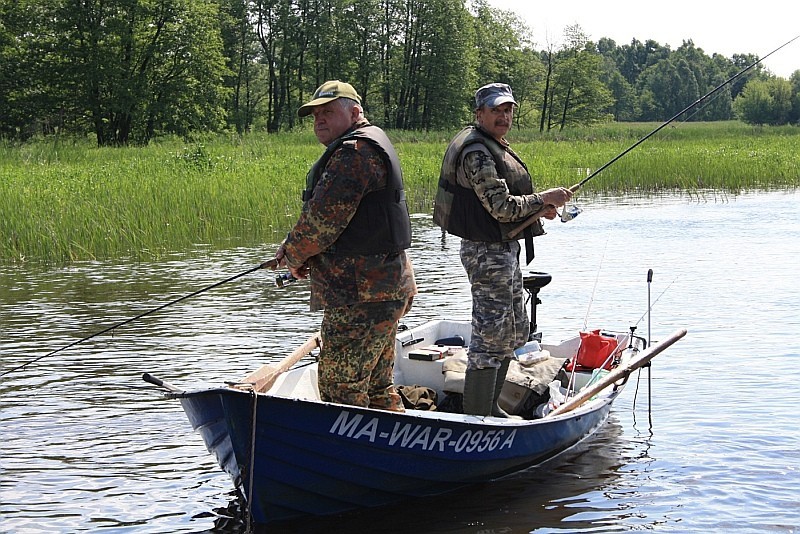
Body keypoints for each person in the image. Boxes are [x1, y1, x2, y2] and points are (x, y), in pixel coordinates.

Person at [275, 80, 417, 412]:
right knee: (377, 387)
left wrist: (294, 255)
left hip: (362, 297)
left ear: (354, 112)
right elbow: (338, 222)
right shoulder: (365, 145)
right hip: (383, 289)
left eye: (327, 112)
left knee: (341, 390)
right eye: (314, 115)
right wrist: (295, 249)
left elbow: (321, 222)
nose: (319, 121)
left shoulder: (353, 153)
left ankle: (358, 459)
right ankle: (390, 454)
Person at [433, 82, 573, 417]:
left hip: (502, 250)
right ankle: (477, 416)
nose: (503, 116)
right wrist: (544, 199)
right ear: (479, 113)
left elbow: (504, 210)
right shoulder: (477, 153)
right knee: (489, 335)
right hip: (485, 254)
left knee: (512, 330)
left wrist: (538, 210)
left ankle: (491, 409)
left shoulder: (492, 145)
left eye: (508, 110)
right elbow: (500, 207)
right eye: (496, 110)